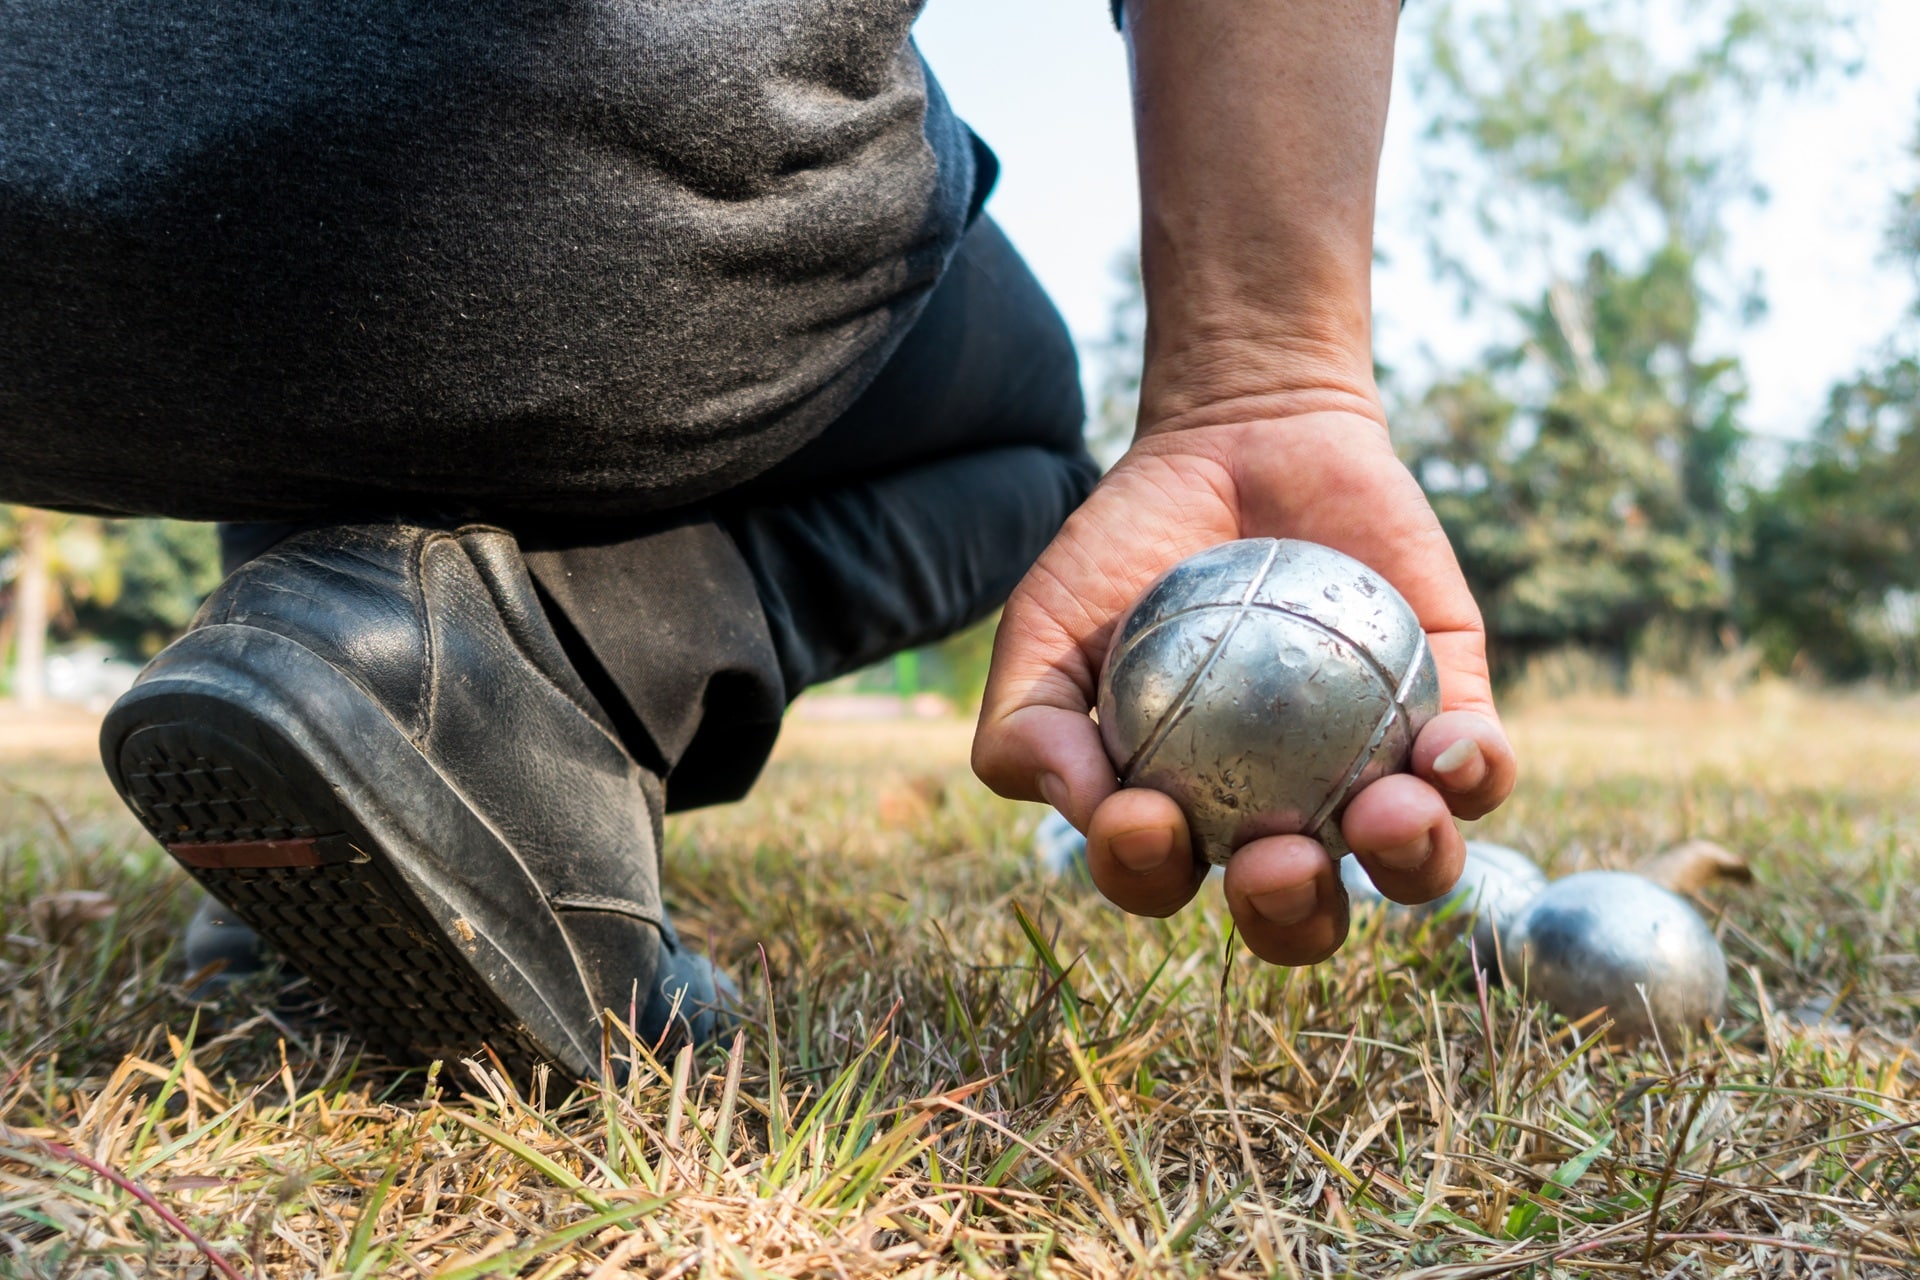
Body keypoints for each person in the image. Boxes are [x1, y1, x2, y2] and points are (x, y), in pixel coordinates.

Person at [1, 0, 1516, 1078]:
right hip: (534, 160)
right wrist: (1264, 376)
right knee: (1025, 434)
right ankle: (544, 670)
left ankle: (325, 694)